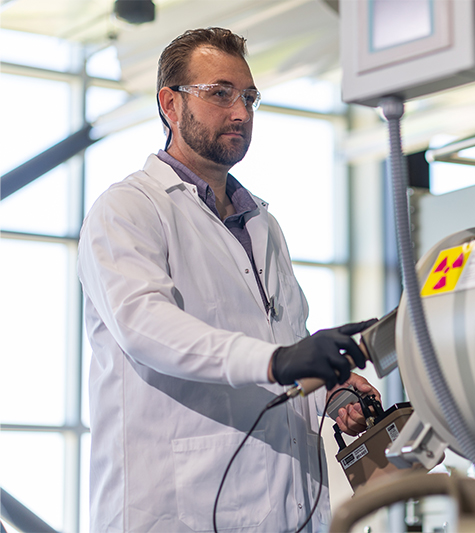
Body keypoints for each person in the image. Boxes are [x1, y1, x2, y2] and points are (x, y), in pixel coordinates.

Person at [77, 27, 379, 532]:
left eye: (249, 97)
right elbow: (146, 327)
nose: (240, 112)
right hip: (177, 507)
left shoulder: (262, 223)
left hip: (286, 506)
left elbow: (282, 342)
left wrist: (329, 388)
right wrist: (279, 361)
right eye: (220, 94)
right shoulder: (127, 209)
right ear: (170, 105)